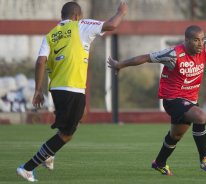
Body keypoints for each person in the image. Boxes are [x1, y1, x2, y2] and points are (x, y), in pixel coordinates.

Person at [107, 25, 206, 176]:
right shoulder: (173, 55)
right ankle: (205, 159)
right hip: (172, 99)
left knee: (175, 136)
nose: (200, 43)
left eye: (202, 39)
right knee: (200, 117)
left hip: (190, 100)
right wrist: (120, 64)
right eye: (196, 40)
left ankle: (159, 163)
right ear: (186, 40)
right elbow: (146, 57)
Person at [16, 1, 128, 182]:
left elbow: (40, 61)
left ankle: (49, 153)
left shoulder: (51, 34)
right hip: (72, 88)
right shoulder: (80, 25)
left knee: (79, 116)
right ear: (77, 16)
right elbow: (111, 25)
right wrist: (121, 12)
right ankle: (27, 168)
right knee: (66, 135)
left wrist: (38, 90)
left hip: (58, 89)